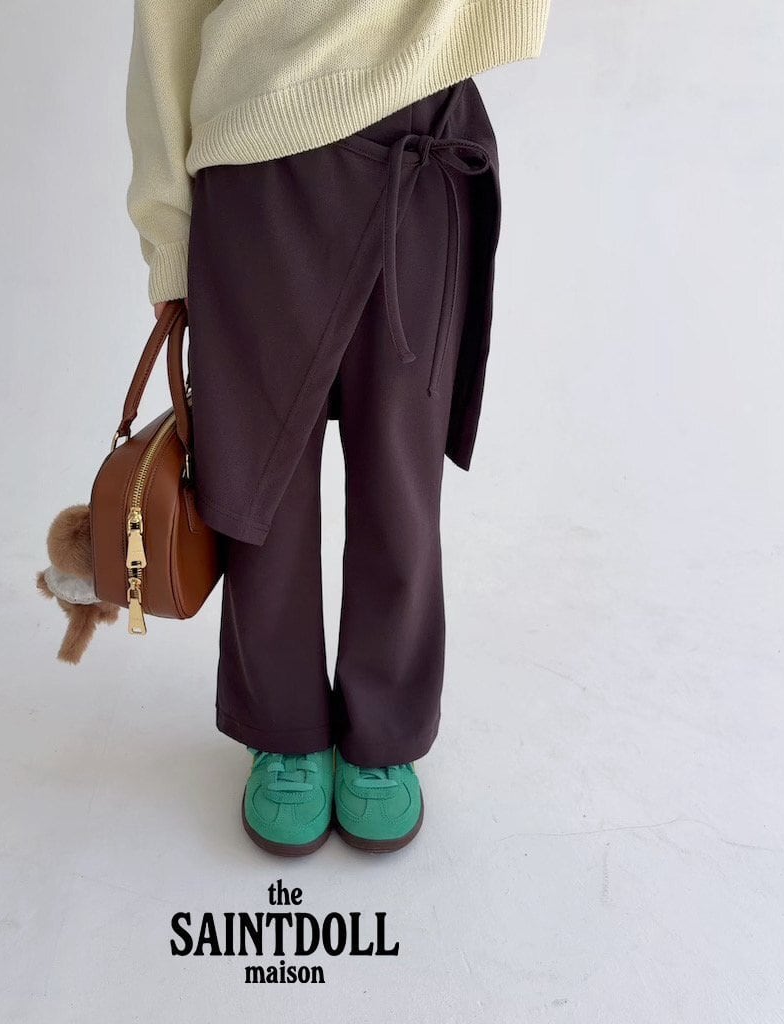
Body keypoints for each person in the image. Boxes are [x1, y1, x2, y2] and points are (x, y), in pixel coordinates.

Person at [124, 1, 551, 856]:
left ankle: (384, 732)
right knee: (259, 483)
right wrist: (169, 237)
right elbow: (166, 20)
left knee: (400, 475)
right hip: (256, 149)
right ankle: (280, 728)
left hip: (418, 133)